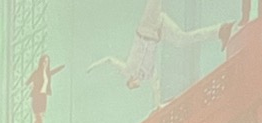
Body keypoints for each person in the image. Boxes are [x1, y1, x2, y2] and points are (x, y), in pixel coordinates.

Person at [89, 0, 226, 107]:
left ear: (129, 80)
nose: (136, 84)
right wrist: (158, 106)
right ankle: (220, 30)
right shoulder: (148, 74)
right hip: (158, 33)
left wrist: (92, 67)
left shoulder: (127, 69)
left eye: (132, 84)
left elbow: (109, 60)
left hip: (146, 27)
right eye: (136, 86)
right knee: (181, 39)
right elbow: (156, 86)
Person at [27, 51, 65, 123]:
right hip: (36, 97)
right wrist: (32, 85)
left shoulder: (47, 73)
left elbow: (54, 71)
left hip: (43, 97)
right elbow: (28, 81)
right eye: (44, 61)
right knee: (39, 120)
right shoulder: (36, 73)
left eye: (47, 62)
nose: (45, 63)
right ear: (41, 62)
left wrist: (62, 67)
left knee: (38, 122)